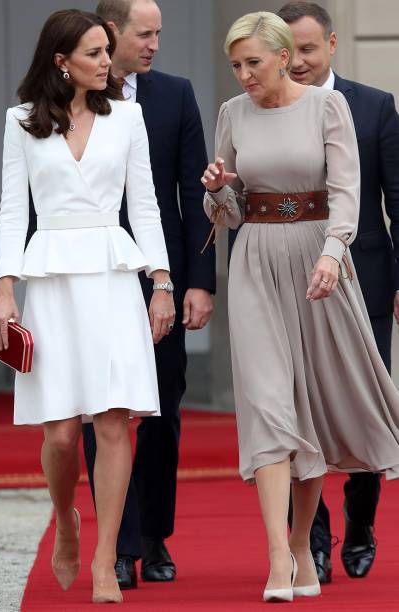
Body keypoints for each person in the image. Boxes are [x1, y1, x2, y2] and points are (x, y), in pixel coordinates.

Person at [202, 10, 399, 603]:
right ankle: (279, 560)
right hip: (256, 263)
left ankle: (301, 550)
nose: (243, 75)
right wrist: (218, 190)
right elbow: (230, 212)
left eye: (253, 63)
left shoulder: (325, 108)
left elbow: (347, 193)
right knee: (268, 406)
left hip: (318, 260)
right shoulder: (231, 114)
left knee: (305, 407)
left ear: (285, 57)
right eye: (235, 65)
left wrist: (334, 255)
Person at [0, 9, 174, 604]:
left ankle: (104, 558)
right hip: (51, 281)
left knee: (116, 421)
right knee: (64, 434)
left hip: (114, 277)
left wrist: (162, 280)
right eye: (94, 52)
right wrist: (3, 287)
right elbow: (12, 211)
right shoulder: (21, 121)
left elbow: (144, 204)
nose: (106, 61)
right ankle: (65, 516)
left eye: (106, 50)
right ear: (61, 60)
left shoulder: (128, 116)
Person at [81, 0, 215, 590]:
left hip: (162, 280)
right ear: (111, 32)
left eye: (159, 33)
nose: (155, 43)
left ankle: (156, 535)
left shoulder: (175, 95)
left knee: (162, 411)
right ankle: (119, 543)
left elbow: (194, 195)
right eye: (145, 33)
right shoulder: (72, 95)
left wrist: (199, 282)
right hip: (91, 277)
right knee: (100, 413)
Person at [277, 1, 399, 584]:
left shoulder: (374, 106)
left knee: (362, 406)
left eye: (307, 49)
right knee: (299, 411)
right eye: (287, 50)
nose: (296, 62)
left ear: (330, 44)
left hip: (365, 279)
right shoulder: (265, 108)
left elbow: (396, 199)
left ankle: (362, 520)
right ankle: (313, 537)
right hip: (292, 285)